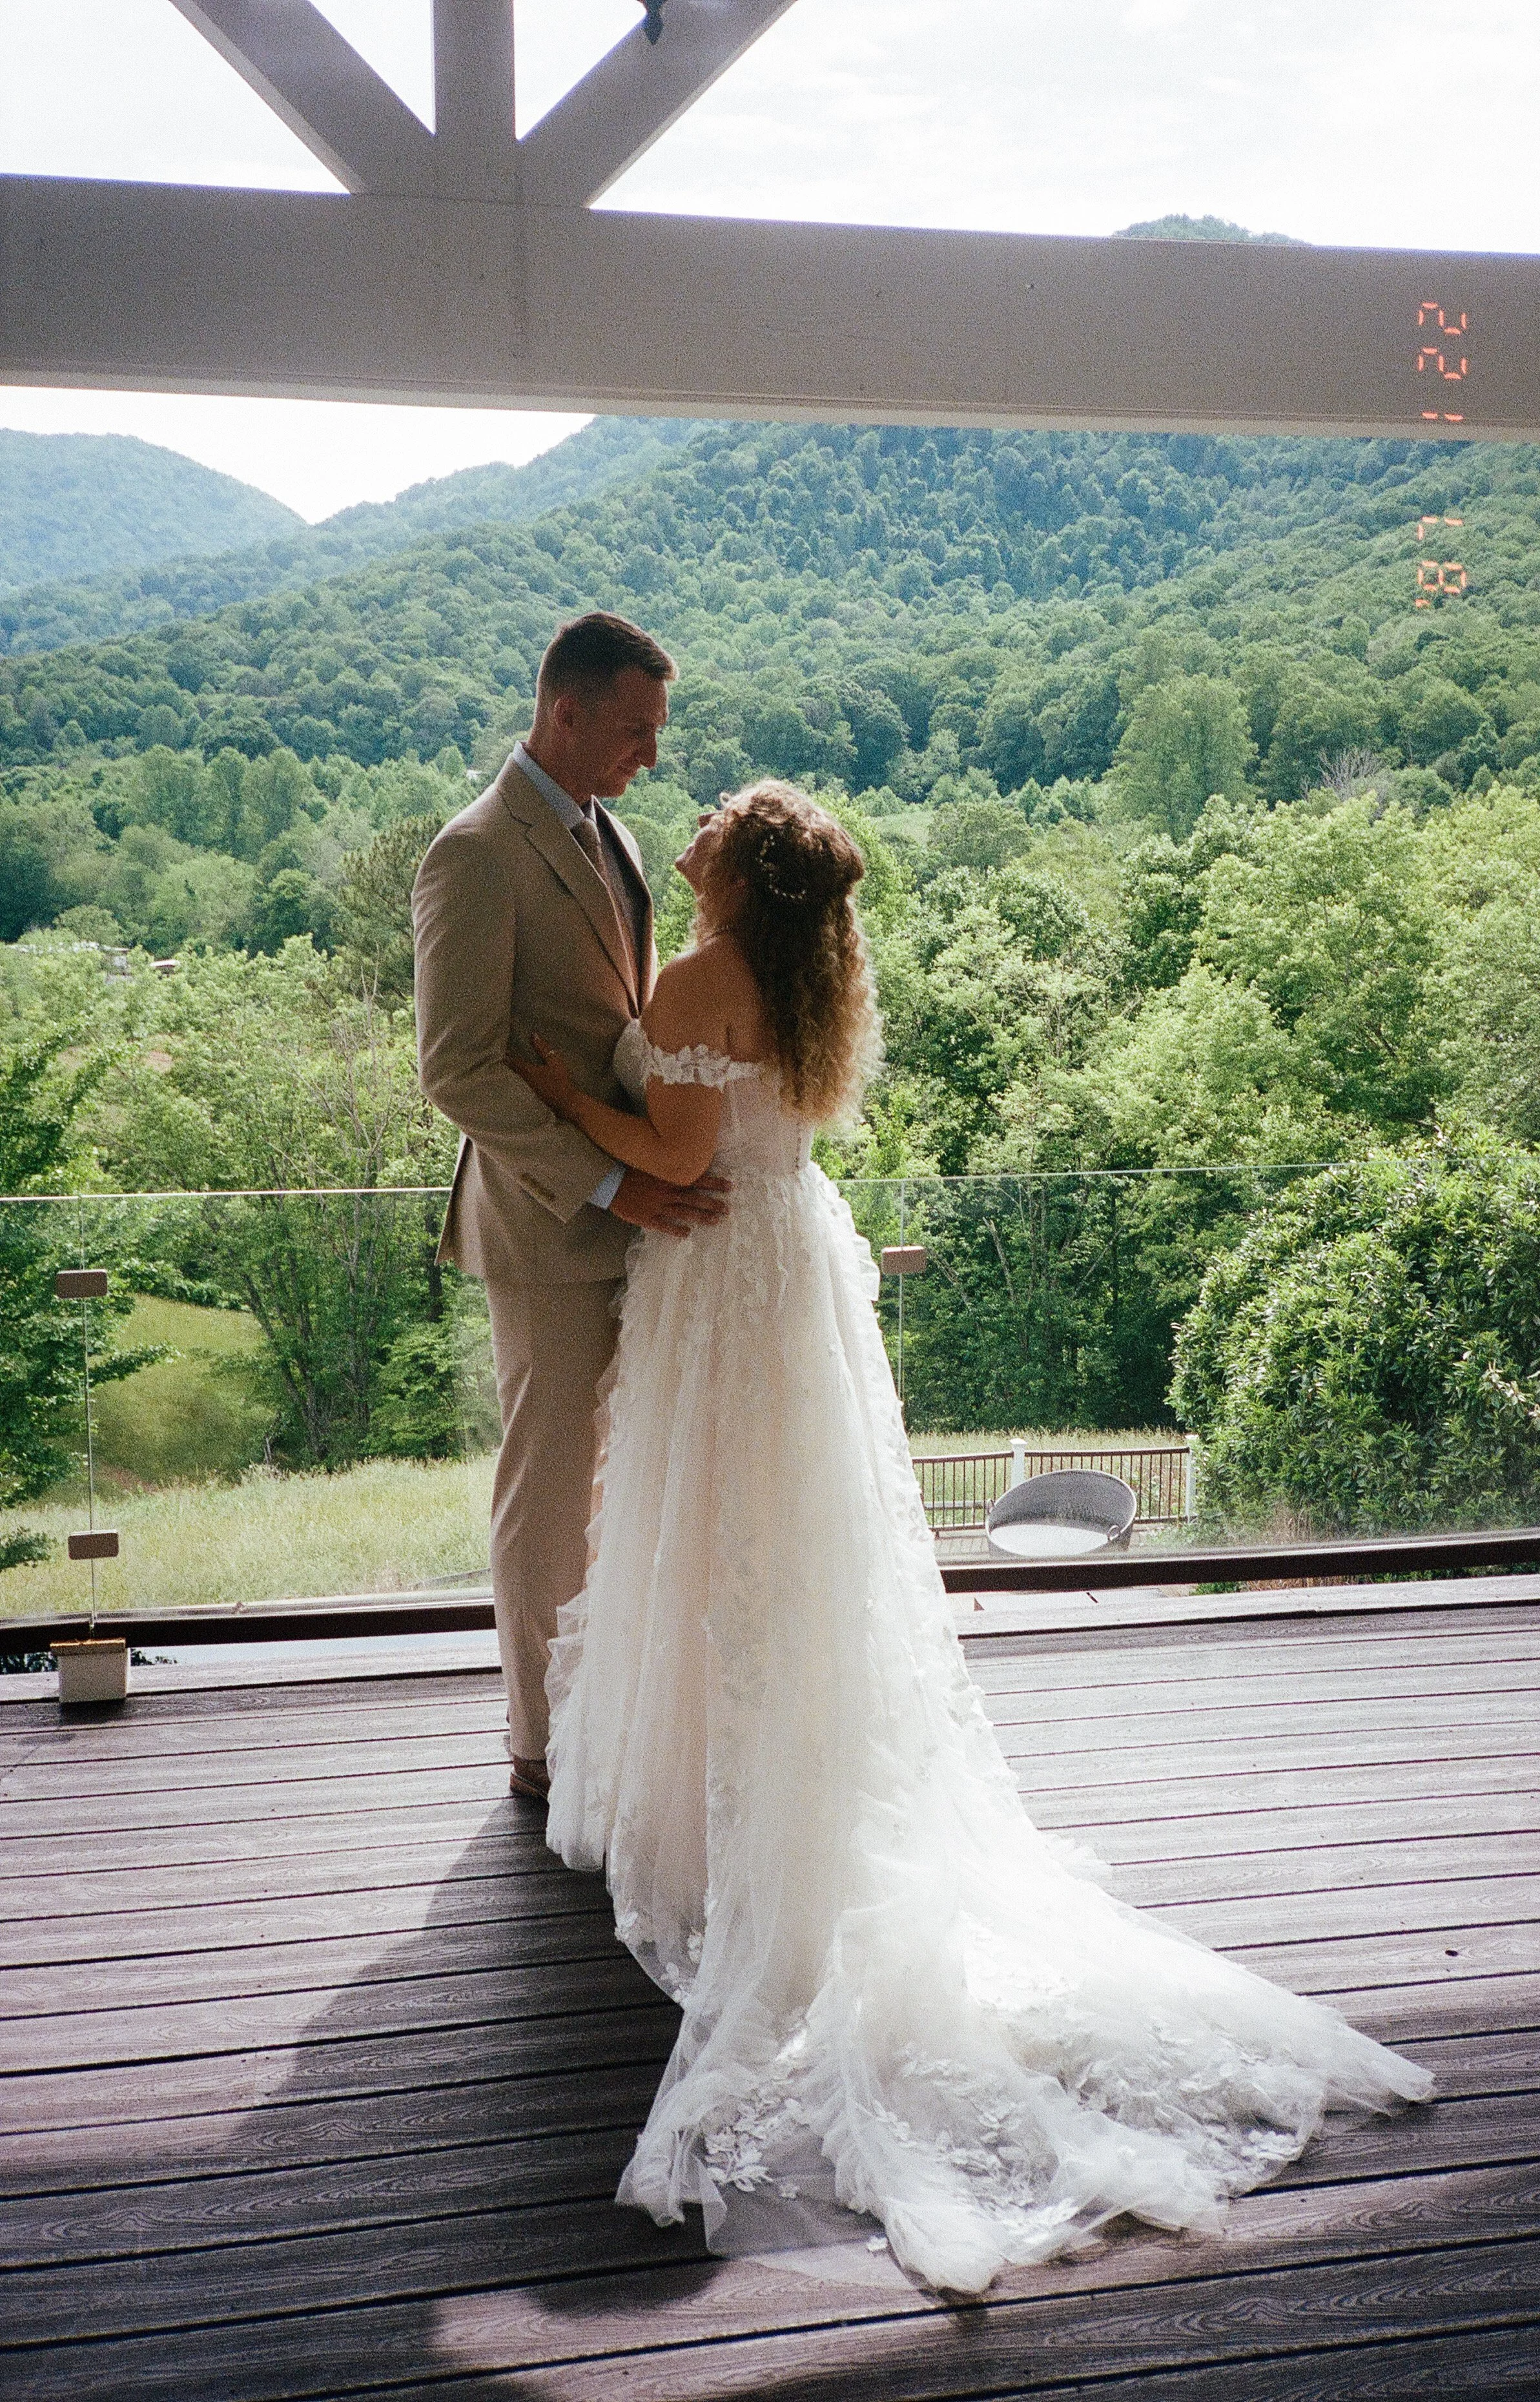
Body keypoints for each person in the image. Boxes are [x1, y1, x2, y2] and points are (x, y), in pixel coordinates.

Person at [508, 777, 1433, 2295]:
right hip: (788, 1275)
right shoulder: (808, 977)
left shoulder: (696, 978)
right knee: (791, 1559)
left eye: (717, 818)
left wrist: (558, 1091)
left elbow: (672, 1158)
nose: (691, 822)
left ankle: (733, 1829)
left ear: (741, 865)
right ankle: (771, 1794)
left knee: (716, 1544)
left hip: (721, 1284)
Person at [412, 612, 728, 1803]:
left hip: (643, 1213)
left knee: (615, 1483)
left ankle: (611, 1720)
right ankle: (542, 1748)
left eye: (657, 729)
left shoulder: (615, 835)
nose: (652, 751)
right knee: (548, 1494)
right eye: (636, 728)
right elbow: (455, 1068)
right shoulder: (474, 854)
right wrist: (610, 1182)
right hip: (549, 1226)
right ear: (566, 710)